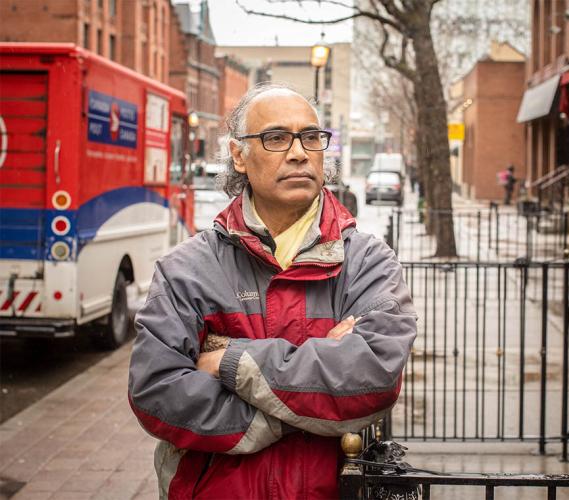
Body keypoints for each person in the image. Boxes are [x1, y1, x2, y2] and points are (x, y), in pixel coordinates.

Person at [128, 83, 417, 499]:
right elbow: (157, 394)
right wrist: (313, 391)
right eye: (276, 138)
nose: (299, 152)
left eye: (311, 137)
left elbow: (372, 380)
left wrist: (230, 360)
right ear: (238, 155)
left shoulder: (368, 262)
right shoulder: (187, 270)